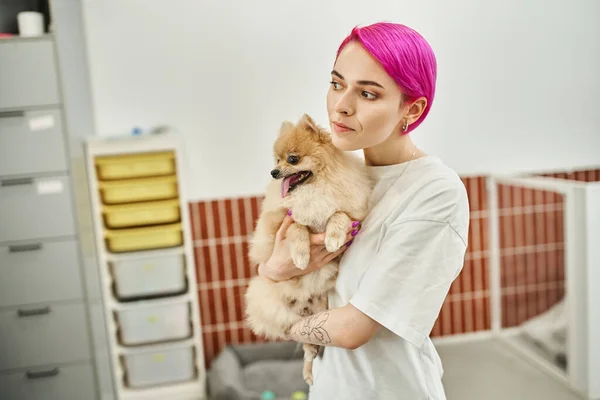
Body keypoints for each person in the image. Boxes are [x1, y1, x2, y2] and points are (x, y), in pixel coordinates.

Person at [257, 22, 470, 399]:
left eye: (368, 94)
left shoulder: (434, 191)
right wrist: (271, 269)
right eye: (337, 83)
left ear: (412, 108)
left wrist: (277, 318)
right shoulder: (336, 176)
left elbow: (353, 329)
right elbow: (281, 262)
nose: (341, 105)